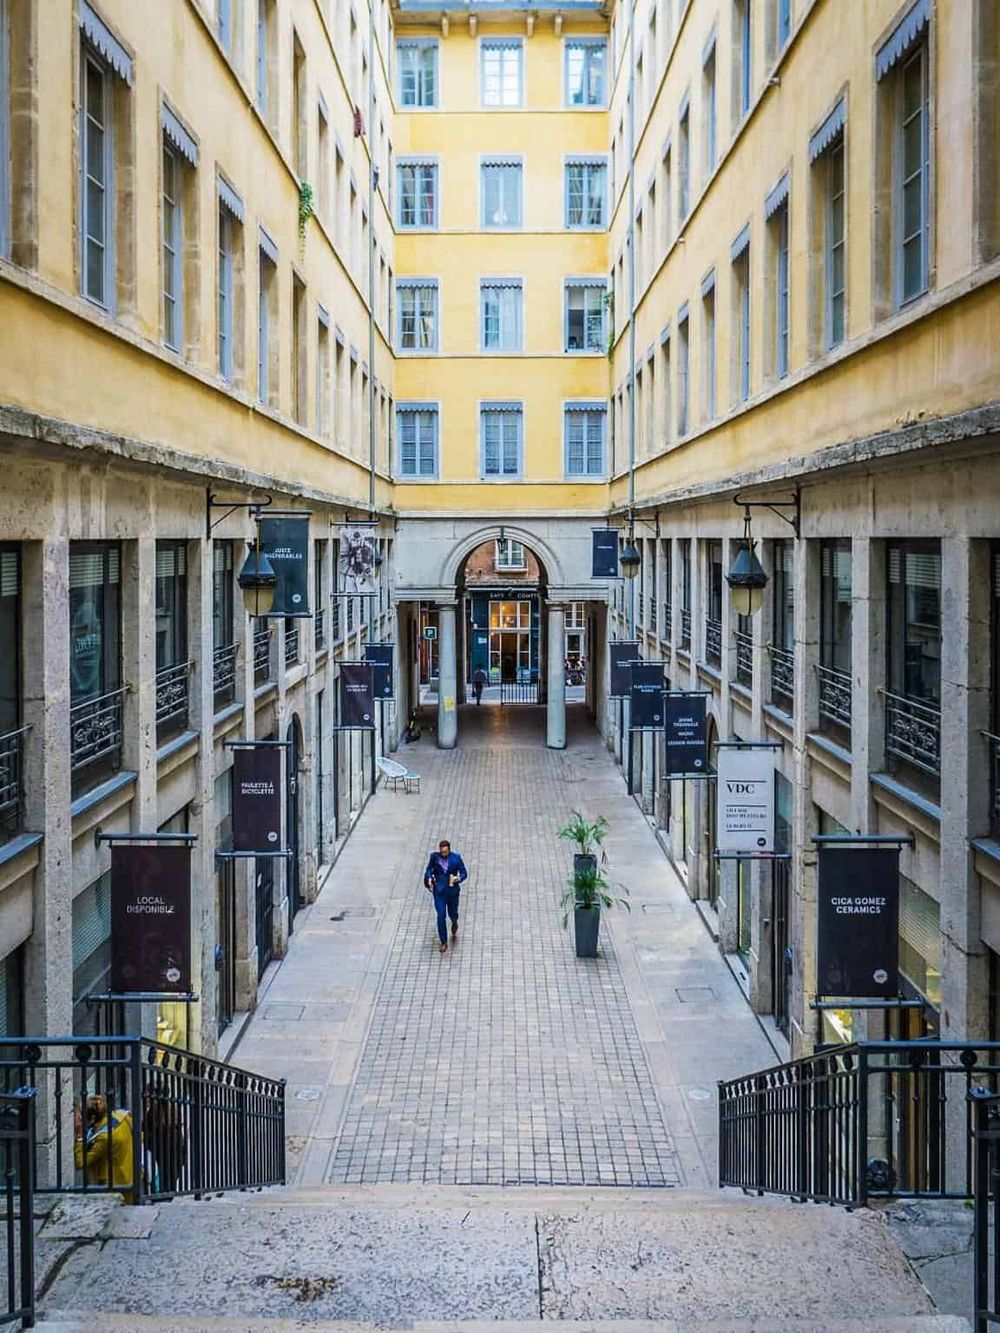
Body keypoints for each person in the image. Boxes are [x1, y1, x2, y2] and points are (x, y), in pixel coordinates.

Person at [73, 1093, 135, 1200]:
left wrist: (79, 1136)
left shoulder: (104, 1137)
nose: (76, 1118)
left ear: (92, 1119)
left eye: (79, 1116)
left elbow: (80, 1162)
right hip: (132, 1174)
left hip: (115, 1184)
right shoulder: (121, 1116)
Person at [423, 839, 468, 953]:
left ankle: (454, 921)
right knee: (441, 915)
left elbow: (464, 873)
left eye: (445, 852)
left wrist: (458, 878)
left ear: (449, 850)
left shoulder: (456, 859)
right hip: (439, 892)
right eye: (442, 852)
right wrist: (429, 878)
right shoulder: (435, 858)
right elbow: (429, 870)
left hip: (452, 892)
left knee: (452, 912)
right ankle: (443, 941)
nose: (443, 854)